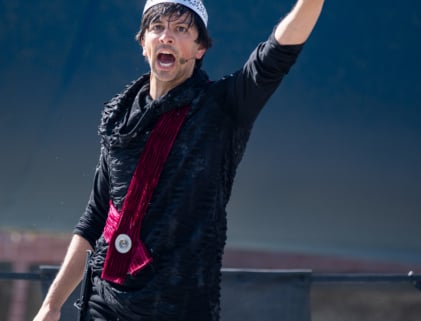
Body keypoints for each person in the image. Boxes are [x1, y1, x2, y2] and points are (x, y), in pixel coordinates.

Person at [34, 0, 323, 320]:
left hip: (181, 305)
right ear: (143, 45)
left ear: (201, 49)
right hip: (107, 300)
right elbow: (96, 216)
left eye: (181, 29)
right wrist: (52, 304)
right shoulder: (118, 117)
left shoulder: (223, 106)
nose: (166, 36)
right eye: (157, 28)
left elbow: (277, 54)